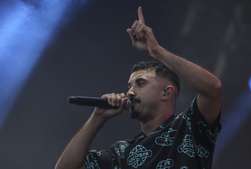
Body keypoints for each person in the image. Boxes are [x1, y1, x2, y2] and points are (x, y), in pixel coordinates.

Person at [55, 6, 222, 169]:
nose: (130, 92)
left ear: (166, 92)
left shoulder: (189, 127)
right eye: (130, 86)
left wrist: (157, 51)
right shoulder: (121, 153)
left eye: (141, 83)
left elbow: (213, 88)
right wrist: (97, 118)